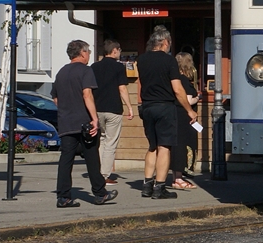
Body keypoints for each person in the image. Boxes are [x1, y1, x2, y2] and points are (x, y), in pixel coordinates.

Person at [54, 40, 119, 208]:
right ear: (82, 53)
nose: (89, 54)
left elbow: (56, 98)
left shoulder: (61, 72)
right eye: (88, 52)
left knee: (66, 159)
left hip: (66, 121)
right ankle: (100, 193)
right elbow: (87, 94)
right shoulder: (85, 70)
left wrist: (66, 110)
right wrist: (94, 118)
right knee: (91, 157)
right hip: (84, 122)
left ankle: (63, 196)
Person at [136, 27, 199, 200]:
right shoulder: (169, 60)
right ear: (164, 42)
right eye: (169, 42)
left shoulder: (142, 60)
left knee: (152, 146)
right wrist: (189, 110)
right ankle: (160, 187)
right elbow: (177, 89)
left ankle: (147, 184)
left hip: (147, 105)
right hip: (164, 106)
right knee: (164, 147)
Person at [91, 39, 134, 185]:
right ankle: (105, 175)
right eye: (119, 50)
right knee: (111, 142)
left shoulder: (94, 67)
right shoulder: (118, 67)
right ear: (114, 50)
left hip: (97, 108)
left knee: (102, 140)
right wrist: (129, 106)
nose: (120, 53)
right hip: (113, 108)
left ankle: (98, 173)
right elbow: (122, 88)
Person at [171, 51, 201, 190]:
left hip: (175, 115)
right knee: (183, 146)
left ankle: (175, 177)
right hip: (184, 117)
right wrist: (198, 97)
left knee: (176, 146)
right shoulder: (183, 80)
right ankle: (178, 178)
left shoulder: (174, 79)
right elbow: (188, 100)